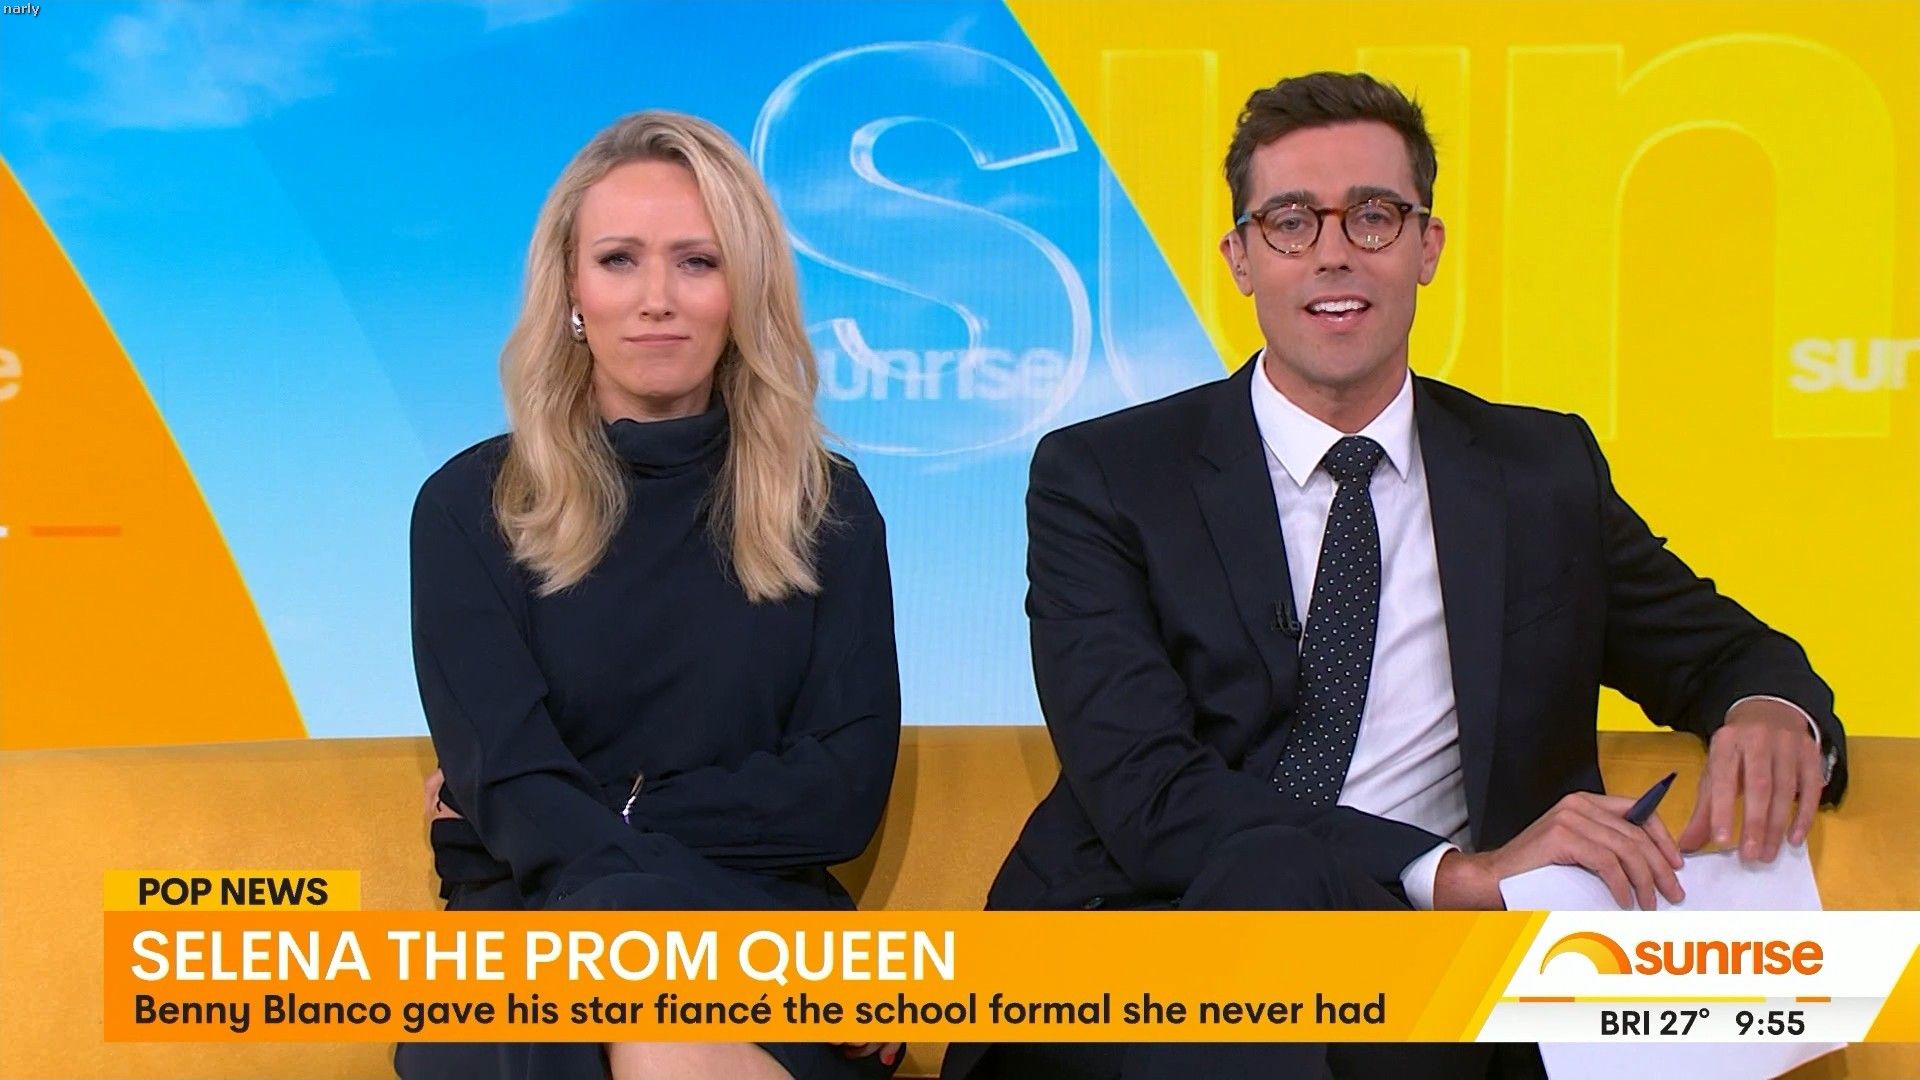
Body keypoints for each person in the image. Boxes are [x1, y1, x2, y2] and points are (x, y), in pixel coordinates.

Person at [944, 72, 1845, 1080]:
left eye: (1373, 216)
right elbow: (1149, 791)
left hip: (1421, 991)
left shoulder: (1538, 474)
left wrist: (1769, 709)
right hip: (1149, 946)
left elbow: (1721, 652)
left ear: (1428, 247)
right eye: (1291, 221)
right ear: (1241, 259)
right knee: (1270, 878)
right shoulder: (1107, 476)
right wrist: (1451, 875)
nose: (1335, 251)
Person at [398, 110, 903, 1080]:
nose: (657, 300)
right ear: (571, 289)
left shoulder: (825, 507)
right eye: (619, 260)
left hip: (764, 935)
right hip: (530, 938)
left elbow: (840, 796)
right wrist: (622, 859)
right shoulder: (468, 508)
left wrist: (612, 810)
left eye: (697, 263)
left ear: (742, 288)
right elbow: (516, 790)